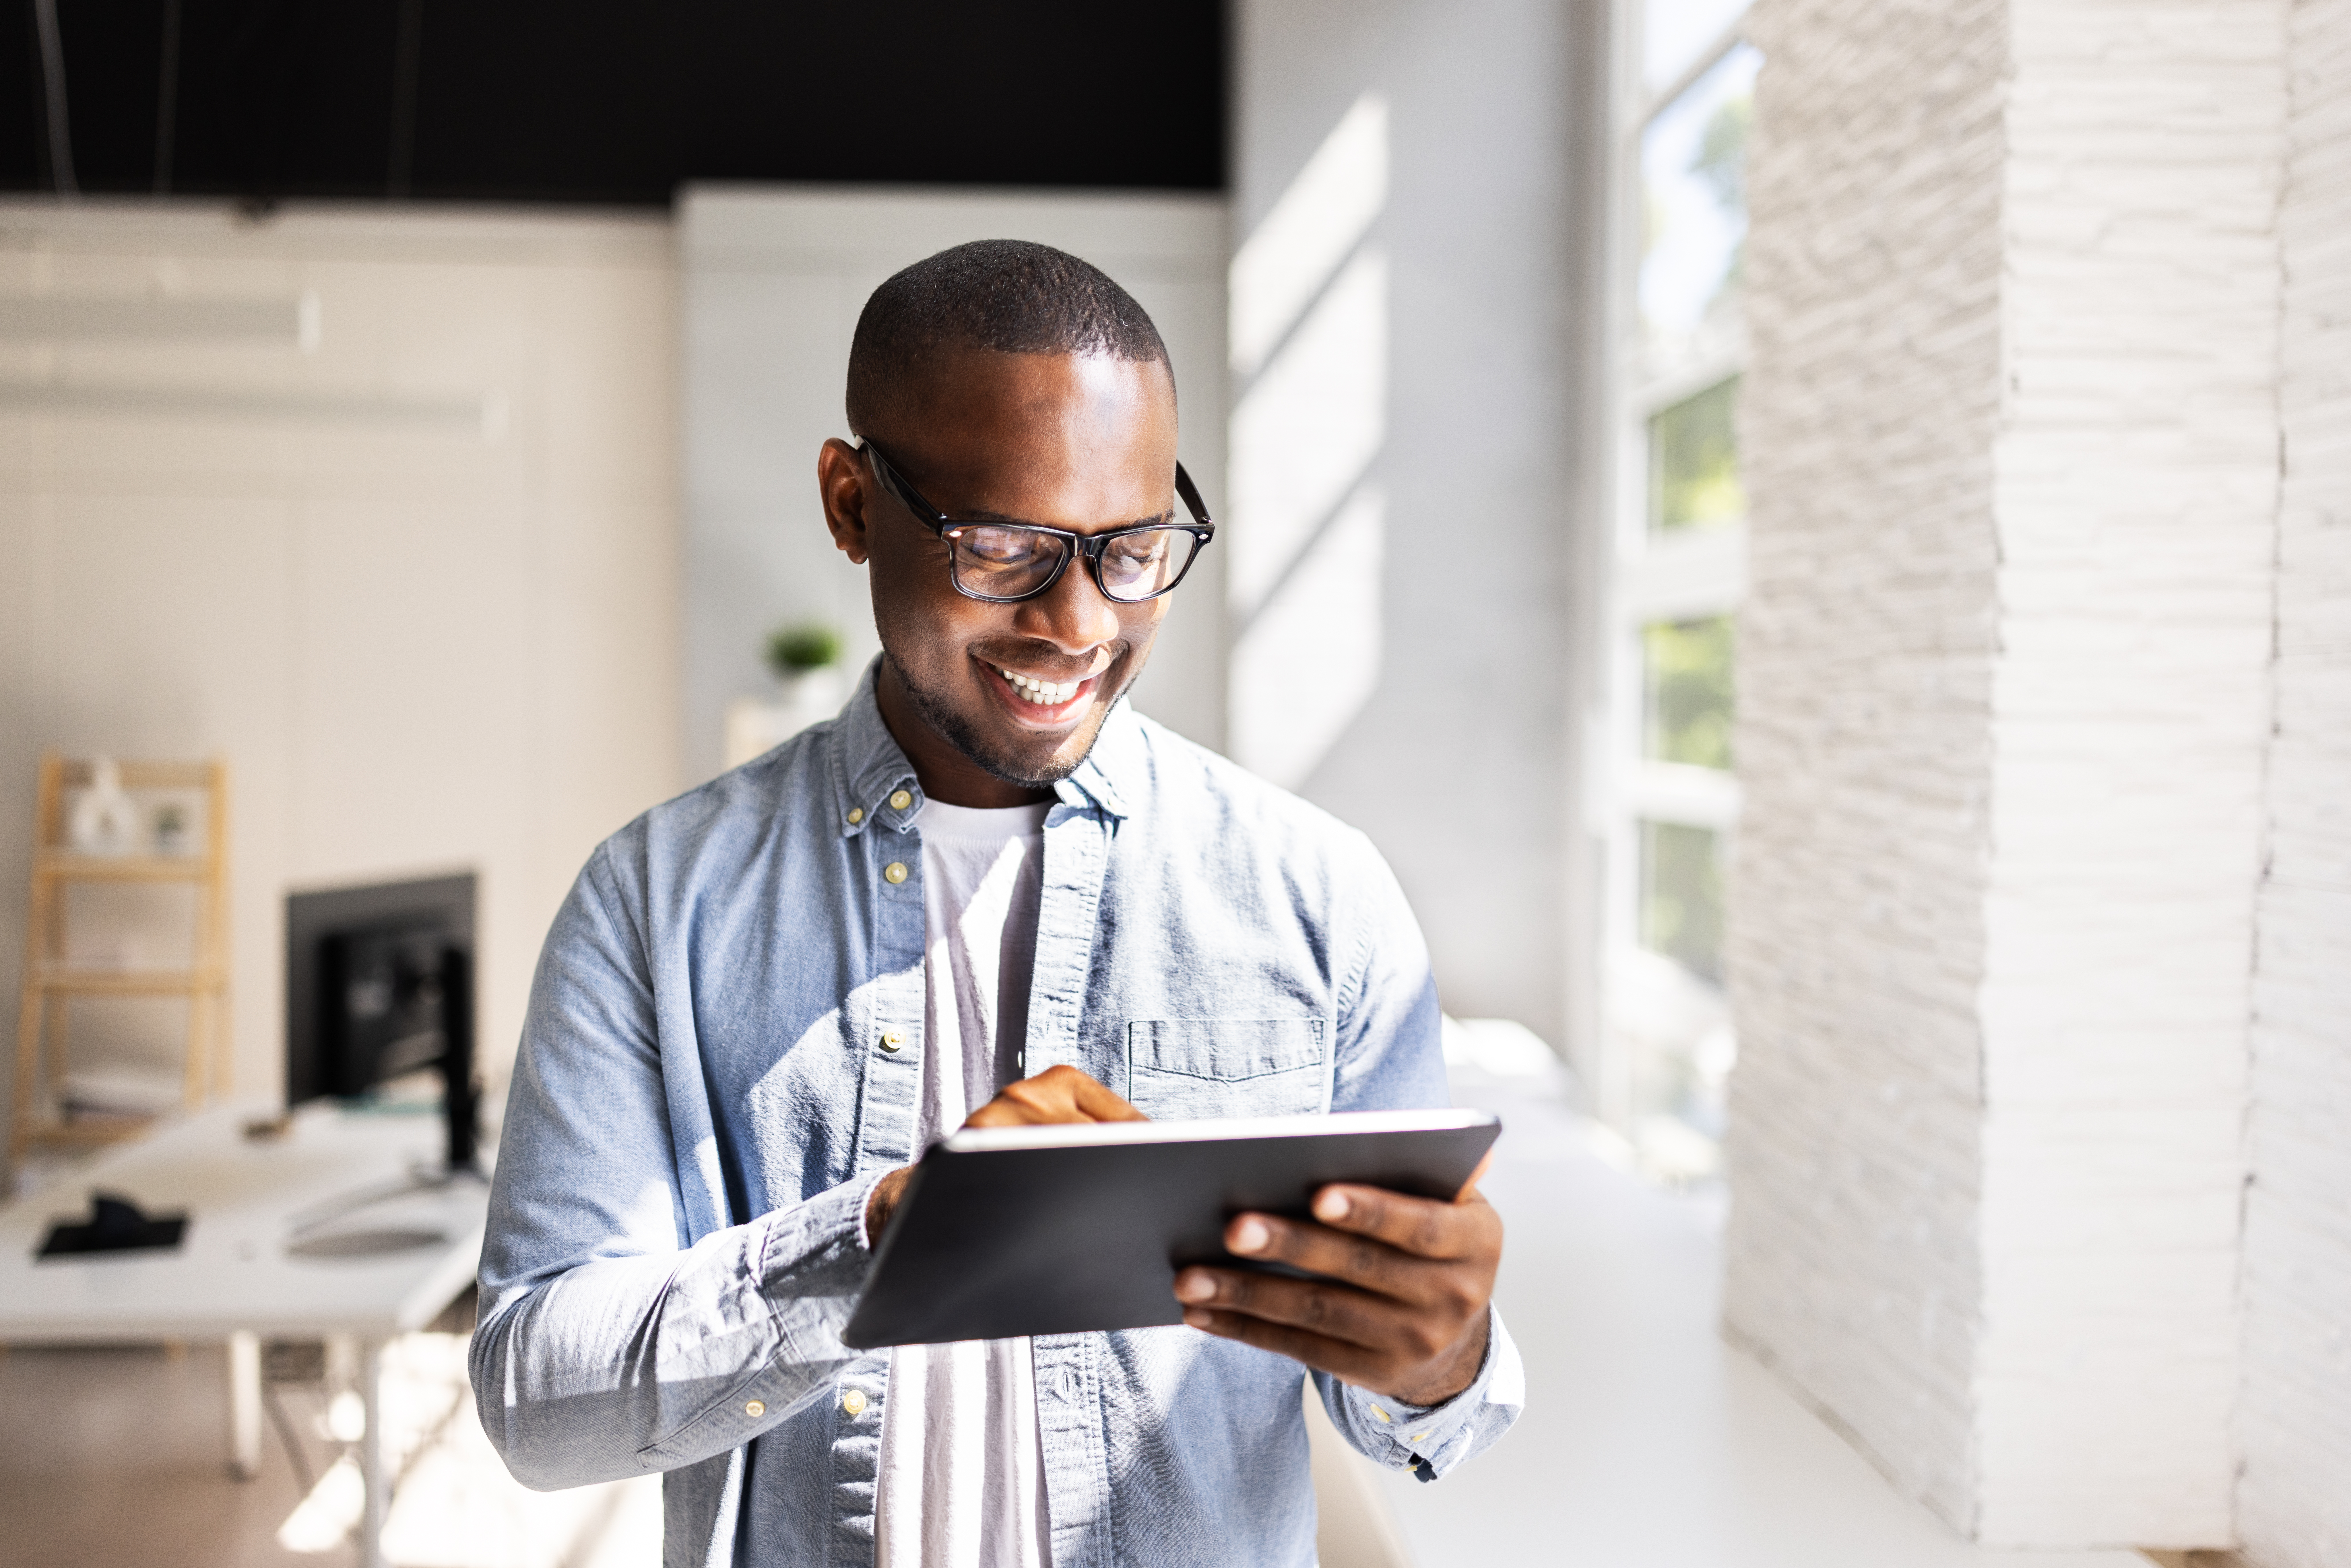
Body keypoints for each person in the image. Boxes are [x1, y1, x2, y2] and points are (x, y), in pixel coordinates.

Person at [470, 240, 1522, 1568]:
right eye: (1005, 547)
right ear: (850, 505)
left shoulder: (1318, 895)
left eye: (1131, 547)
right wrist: (881, 1241)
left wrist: (1442, 1353)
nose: (1078, 621)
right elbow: (533, 1404)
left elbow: (1422, 1417)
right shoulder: (655, 901)